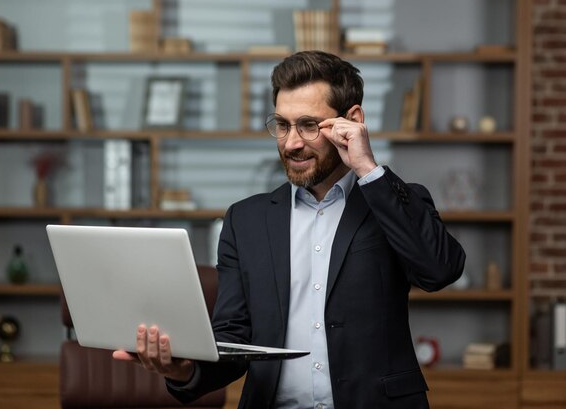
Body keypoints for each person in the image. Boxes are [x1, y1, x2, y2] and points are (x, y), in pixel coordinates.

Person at [113, 50, 466, 409]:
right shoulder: (245, 220)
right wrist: (184, 370)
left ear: (352, 120)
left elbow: (439, 270)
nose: (292, 143)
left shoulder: (391, 202)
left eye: (309, 125)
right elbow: (234, 338)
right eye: (282, 125)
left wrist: (367, 168)